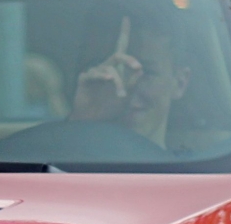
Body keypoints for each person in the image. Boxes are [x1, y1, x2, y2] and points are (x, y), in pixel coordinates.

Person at [71, 13, 191, 148]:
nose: (123, 84)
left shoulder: (204, 167)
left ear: (180, 83)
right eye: (105, 70)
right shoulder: (54, 160)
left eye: (144, 71)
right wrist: (80, 123)